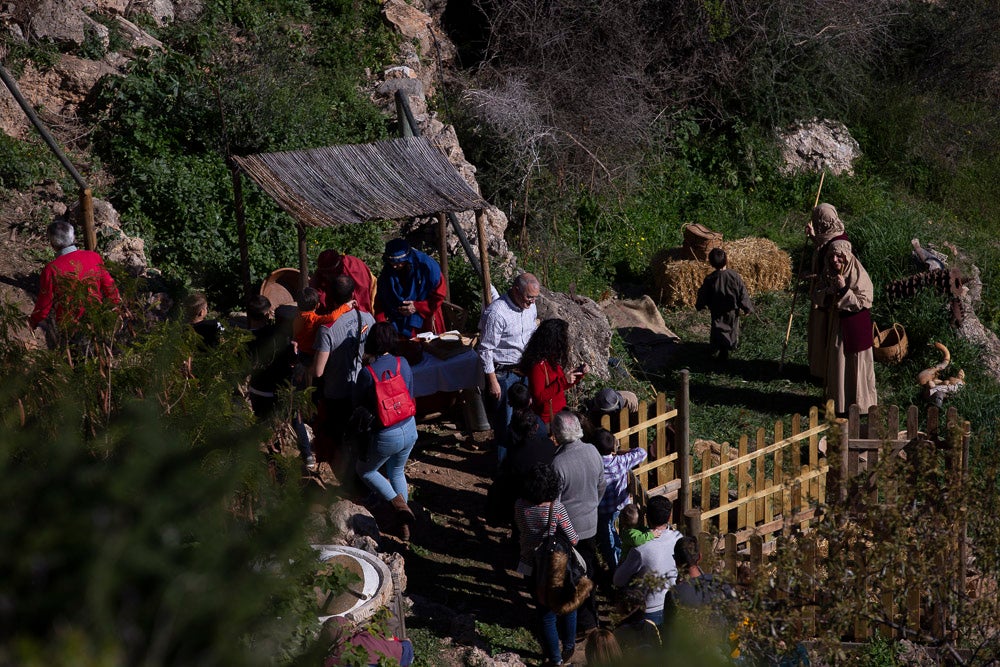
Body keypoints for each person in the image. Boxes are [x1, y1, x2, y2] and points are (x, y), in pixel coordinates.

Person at [353, 321, 419, 541]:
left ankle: (400, 507)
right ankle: (405, 524)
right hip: (409, 428)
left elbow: (358, 403)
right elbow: (409, 393)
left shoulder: (367, 373)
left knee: (366, 471)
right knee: (397, 471)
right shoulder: (403, 364)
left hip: (386, 433)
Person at [514, 462, 580, 667]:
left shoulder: (519, 505)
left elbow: (520, 529)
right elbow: (573, 538)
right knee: (568, 607)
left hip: (530, 563)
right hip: (556, 566)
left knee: (545, 614)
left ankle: (555, 658)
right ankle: (569, 647)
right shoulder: (556, 508)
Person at [312, 275, 376, 479]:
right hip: (360, 387)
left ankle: (348, 480)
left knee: (340, 438)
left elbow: (318, 371)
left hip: (336, 392)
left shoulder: (327, 329)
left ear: (329, 298)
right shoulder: (367, 318)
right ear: (353, 294)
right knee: (359, 433)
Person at [551, 410, 606, 635]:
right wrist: (593, 505)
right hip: (590, 524)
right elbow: (602, 484)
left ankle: (581, 623)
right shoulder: (593, 451)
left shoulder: (558, 462)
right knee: (588, 571)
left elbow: (555, 503)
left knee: (572, 577)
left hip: (568, 530)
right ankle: (591, 617)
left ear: (557, 433)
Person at [477, 273, 541, 463]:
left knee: (526, 418)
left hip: (524, 369)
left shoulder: (531, 307)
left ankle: (520, 459)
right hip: (503, 373)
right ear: (515, 290)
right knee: (505, 421)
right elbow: (485, 350)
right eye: (528, 297)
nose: (531, 302)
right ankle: (503, 468)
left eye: (534, 298)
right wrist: (493, 381)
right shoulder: (497, 313)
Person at [28, 220, 120, 347]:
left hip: (71, 328)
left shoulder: (51, 270)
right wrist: (116, 308)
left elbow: (44, 304)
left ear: (52, 244)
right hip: (97, 320)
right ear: (73, 237)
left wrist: (33, 321)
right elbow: (110, 286)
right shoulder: (94, 257)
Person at [811, 239, 877, 415]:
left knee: (856, 364)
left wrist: (843, 290)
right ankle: (840, 403)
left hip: (854, 326)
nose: (835, 260)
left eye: (839, 256)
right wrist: (827, 292)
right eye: (831, 256)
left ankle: (860, 403)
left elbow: (862, 302)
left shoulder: (859, 275)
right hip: (837, 326)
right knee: (838, 363)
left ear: (847, 256)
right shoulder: (828, 273)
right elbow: (816, 295)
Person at [612, 495, 682, 626]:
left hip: (647, 609)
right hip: (673, 602)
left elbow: (618, 580)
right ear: (669, 517)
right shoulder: (678, 538)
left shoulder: (640, 549)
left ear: (647, 517)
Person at [805, 203, 849, 380]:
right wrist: (814, 237)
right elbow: (823, 247)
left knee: (824, 334)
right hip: (822, 295)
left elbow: (831, 269)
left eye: (818, 221)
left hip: (828, 299)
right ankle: (820, 369)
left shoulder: (839, 244)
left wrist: (813, 277)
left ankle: (824, 371)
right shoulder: (831, 234)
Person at [595, 428, 647, 571]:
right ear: (613, 447)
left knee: (607, 535)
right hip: (621, 505)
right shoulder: (621, 461)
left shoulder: (594, 464)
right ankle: (626, 558)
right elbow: (642, 452)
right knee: (625, 533)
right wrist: (621, 452)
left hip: (602, 509)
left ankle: (615, 565)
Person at [374, 239, 447, 337]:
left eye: (399, 263)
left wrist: (417, 306)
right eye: (392, 263)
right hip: (397, 321)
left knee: (429, 349)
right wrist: (381, 325)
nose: (395, 266)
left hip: (425, 319)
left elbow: (439, 295)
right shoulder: (388, 271)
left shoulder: (427, 267)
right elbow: (381, 298)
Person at [521, 319, 589, 424]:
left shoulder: (551, 360)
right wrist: (563, 381)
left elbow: (560, 387)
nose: (566, 341)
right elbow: (539, 397)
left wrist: (578, 374)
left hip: (558, 415)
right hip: (548, 420)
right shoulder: (538, 366)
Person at [696, 247, 753, 361]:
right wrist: (747, 307)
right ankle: (728, 346)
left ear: (711, 263)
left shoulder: (710, 279)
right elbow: (742, 292)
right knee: (731, 327)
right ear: (726, 260)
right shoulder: (734, 276)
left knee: (717, 327)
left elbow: (703, 294)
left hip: (716, 309)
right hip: (732, 310)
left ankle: (717, 346)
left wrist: (700, 305)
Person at [245, 295, 296, 422]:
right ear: (267, 314)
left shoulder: (244, 338)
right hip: (276, 391)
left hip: (256, 389)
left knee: (261, 424)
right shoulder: (277, 336)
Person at [310, 248, 377, 315]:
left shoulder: (355, 269)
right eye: (323, 273)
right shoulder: (319, 276)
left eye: (328, 273)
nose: (325, 276)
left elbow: (363, 298)